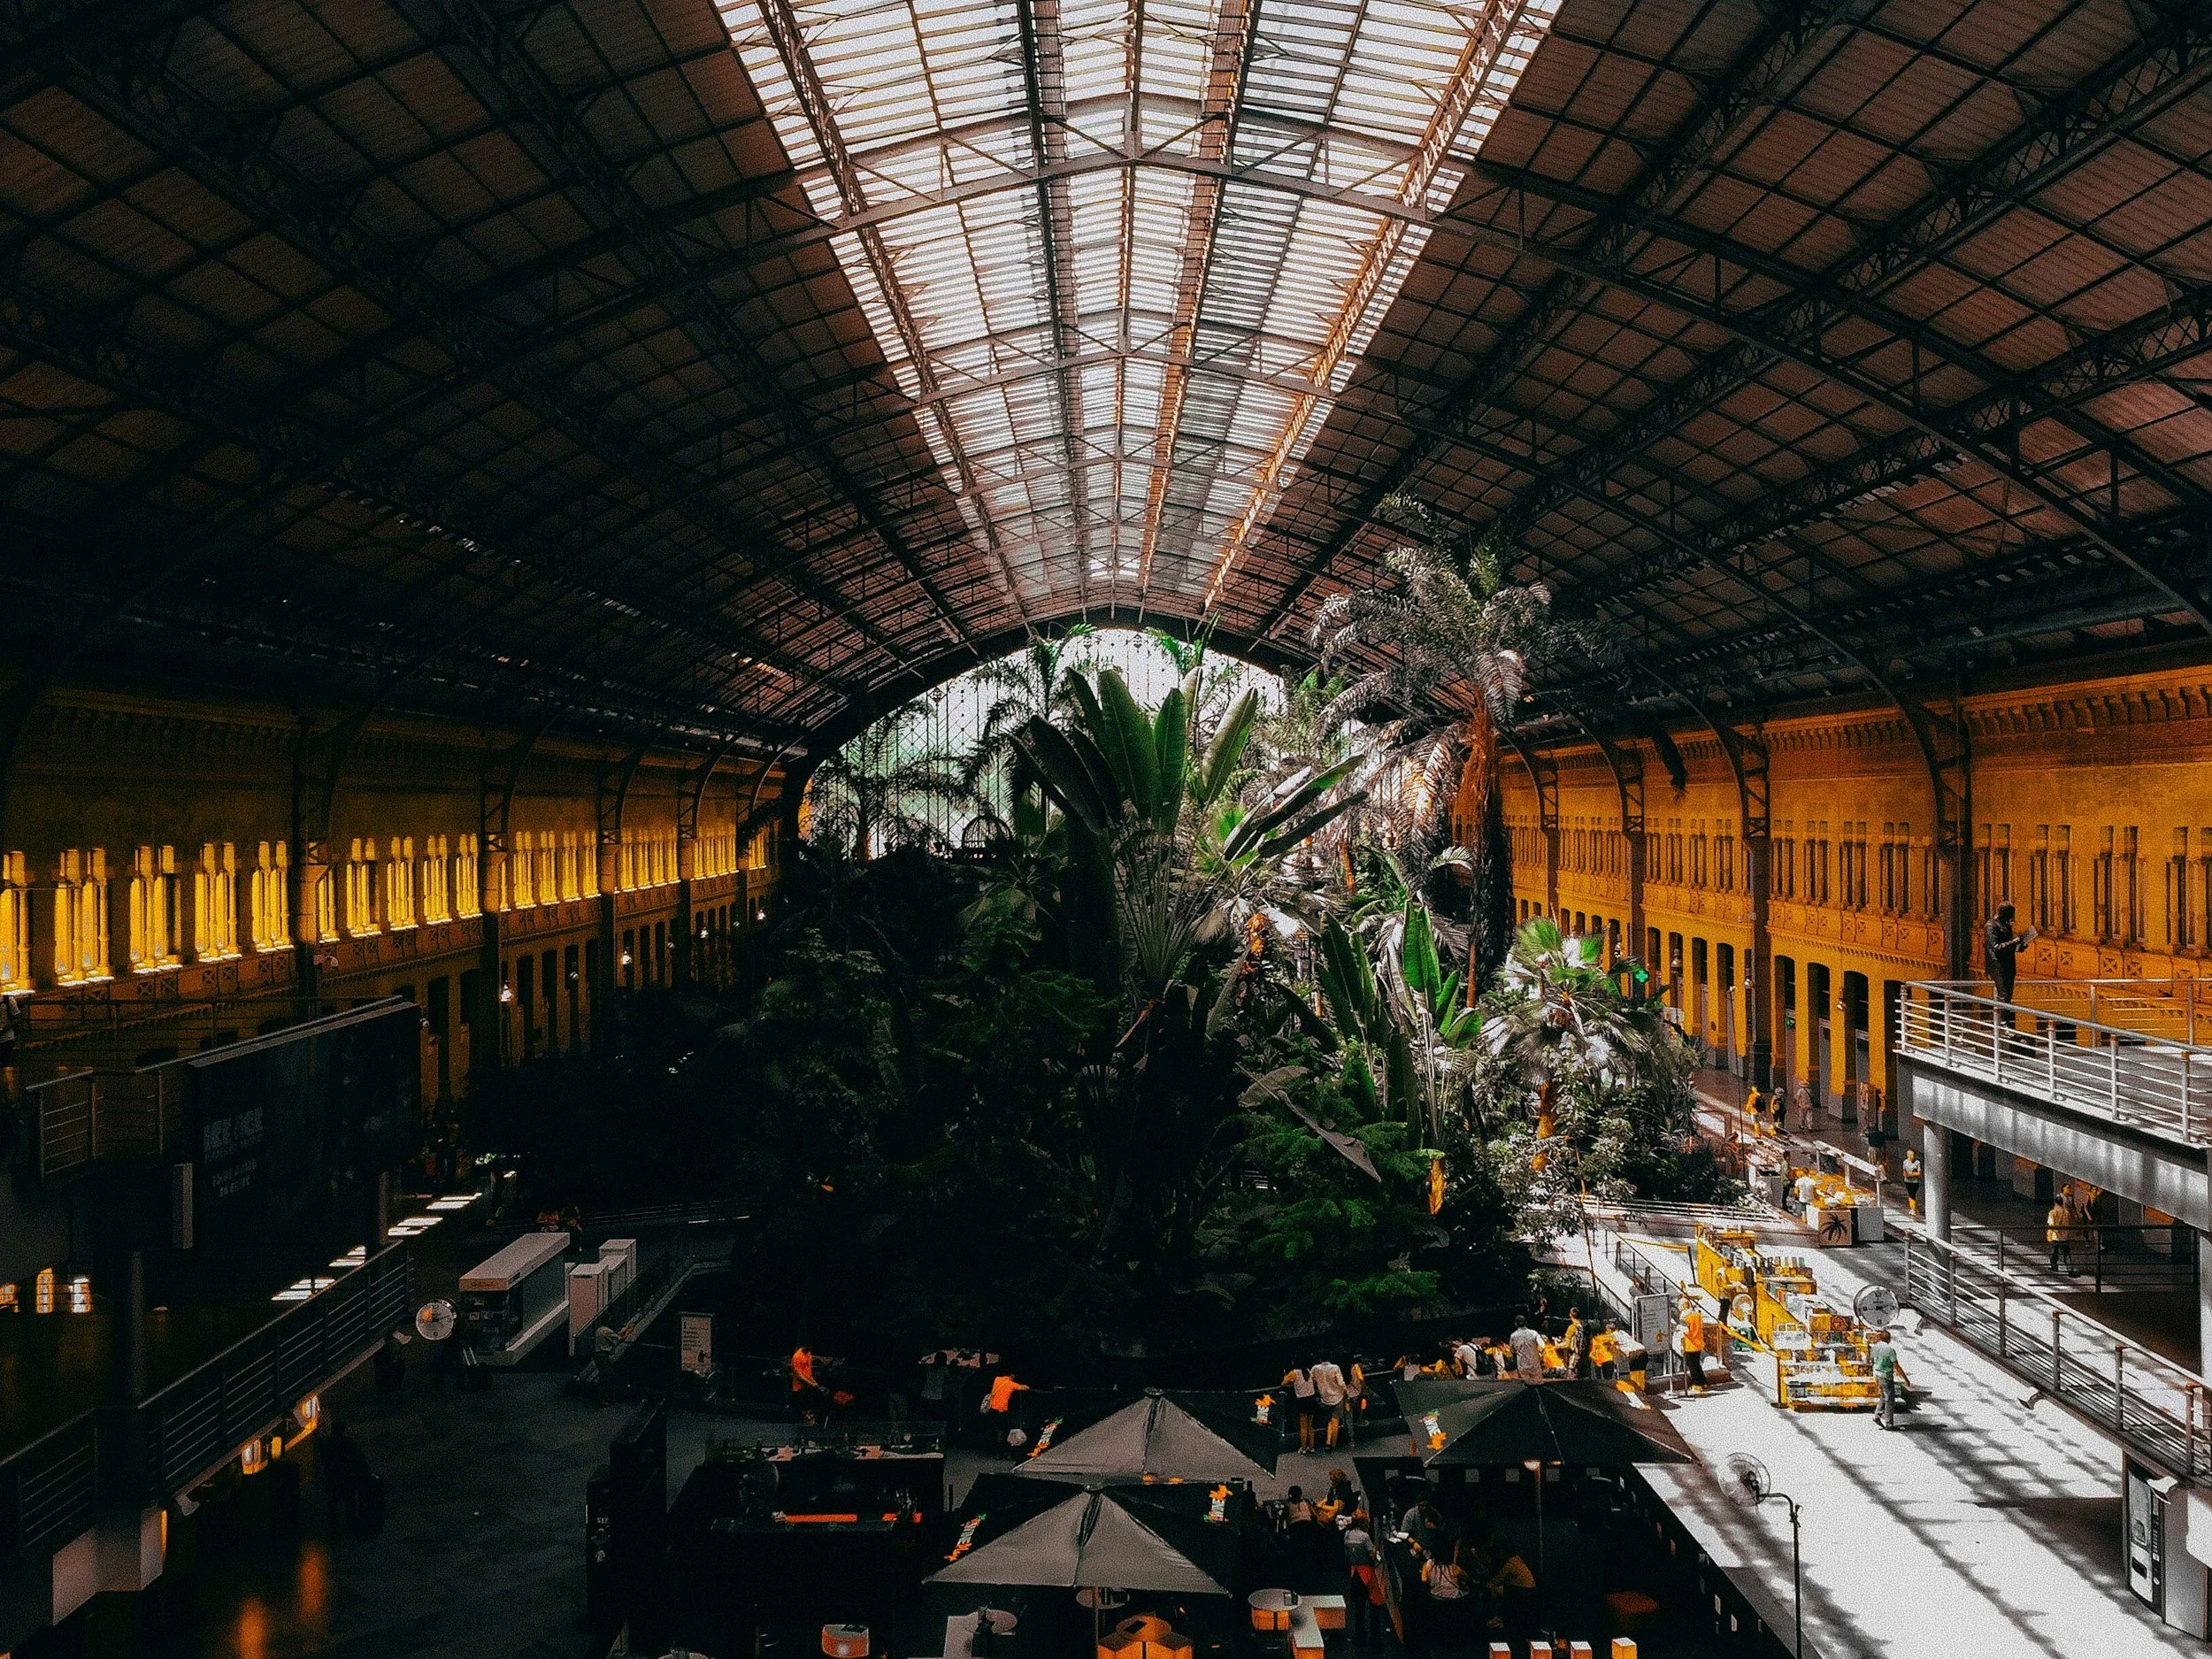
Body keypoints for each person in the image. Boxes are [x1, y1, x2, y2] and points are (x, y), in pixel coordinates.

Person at [1344, 1511, 1386, 1644]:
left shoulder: (1347, 1535)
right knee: (1375, 1604)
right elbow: (1373, 1556)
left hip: (1354, 1572)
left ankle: (1360, 1636)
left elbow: (1346, 1553)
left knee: (1358, 1606)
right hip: (1366, 1572)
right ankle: (1375, 1638)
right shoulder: (1365, 1537)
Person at [1984, 901, 2037, 1002]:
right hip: (1998, 966)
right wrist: (2014, 942)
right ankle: (2002, 1018)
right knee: (2003, 995)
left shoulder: (2006, 925)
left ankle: (2006, 1018)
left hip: (2008, 965)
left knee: (2008, 995)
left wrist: (2020, 946)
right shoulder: (1991, 926)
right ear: (2003, 913)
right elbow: (1996, 947)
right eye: (2010, 914)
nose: (2012, 917)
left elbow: (2007, 946)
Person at [1870, 1328, 1907, 1429]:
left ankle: (1877, 1415)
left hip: (1877, 1375)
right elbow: (1896, 1366)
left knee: (1882, 1396)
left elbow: (1871, 1361)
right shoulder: (1890, 1350)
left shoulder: (1874, 1348)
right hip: (1886, 1377)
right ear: (1889, 1339)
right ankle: (1889, 1423)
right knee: (1890, 1400)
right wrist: (1905, 1379)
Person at [1311, 1356, 1350, 1448]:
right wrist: (1346, 1391)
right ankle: (1333, 1444)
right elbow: (1341, 1383)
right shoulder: (1335, 1368)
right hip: (1337, 1397)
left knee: (1329, 1422)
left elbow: (1311, 1379)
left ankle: (1328, 1441)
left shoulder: (1315, 1368)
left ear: (1320, 1359)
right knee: (1335, 1421)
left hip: (1325, 1399)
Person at [1284, 1364, 1318, 1452]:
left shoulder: (1294, 1373)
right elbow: (1314, 1382)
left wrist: (1286, 1376)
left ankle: (1303, 1447)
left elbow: (1283, 1383)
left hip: (1302, 1400)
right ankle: (1311, 1447)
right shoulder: (1307, 1370)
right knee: (1310, 1425)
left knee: (1303, 1426)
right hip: (1312, 1398)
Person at [1678, 1297, 1709, 1394]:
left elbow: (1686, 1331)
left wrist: (1679, 1328)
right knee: (1697, 1364)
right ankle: (1703, 1381)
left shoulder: (1684, 1318)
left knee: (1692, 1366)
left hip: (1690, 1344)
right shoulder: (1697, 1315)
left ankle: (1697, 1385)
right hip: (1699, 1343)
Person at [1508, 1311, 1545, 1383]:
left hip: (1522, 1366)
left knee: (1527, 1386)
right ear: (1526, 1322)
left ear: (1515, 1324)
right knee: (1538, 1384)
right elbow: (1542, 1345)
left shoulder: (1513, 1336)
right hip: (1535, 1364)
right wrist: (1541, 1355)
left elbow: (1512, 1350)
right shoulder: (1534, 1333)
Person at [2047, 1200, 2078, 1276]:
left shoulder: (2052, 1212)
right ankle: (2070, 1270)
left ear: (2056, 1203)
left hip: (2056, 1237)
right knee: (2066, 1254)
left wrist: (2057, 1233)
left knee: (2054, 1253)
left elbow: (2052, 1224)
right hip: (2065, 1236)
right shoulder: (2066, 1212)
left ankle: (2054, 1266)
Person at [1590, 1318, 1620, 1382]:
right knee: (1608, 1380)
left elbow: (1593, 1351)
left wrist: (1593, 1359)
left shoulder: (1595, 1339)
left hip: (1599, 1361)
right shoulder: (1610, 1338)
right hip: (1608, 1359)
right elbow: (1614, 1346)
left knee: (1599, 1381)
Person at [1564, 1307, 1590, 1379]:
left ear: (1570, 1315)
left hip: (1575, 1355)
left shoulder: (1572, 1327)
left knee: (1572, 1378)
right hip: (1585, 1355)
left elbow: (1567, 1344)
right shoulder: (1587, 1326)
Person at [1901, 1146, 1923, 1215]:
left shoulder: (1917, 1162)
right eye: (1910, 1155)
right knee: (1911, 1195)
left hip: (1915, 1181)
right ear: (1908, 1155)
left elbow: (1919, 1173)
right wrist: (1905, 1175)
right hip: (1907, 1181)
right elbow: (1904, 1170)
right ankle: (1913, 1208)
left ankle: (1913, 1209)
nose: (1912, 1156)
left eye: (1913, 1155)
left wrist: (1911, 1174)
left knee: (1913, 1194)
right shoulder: (1905, 1162)